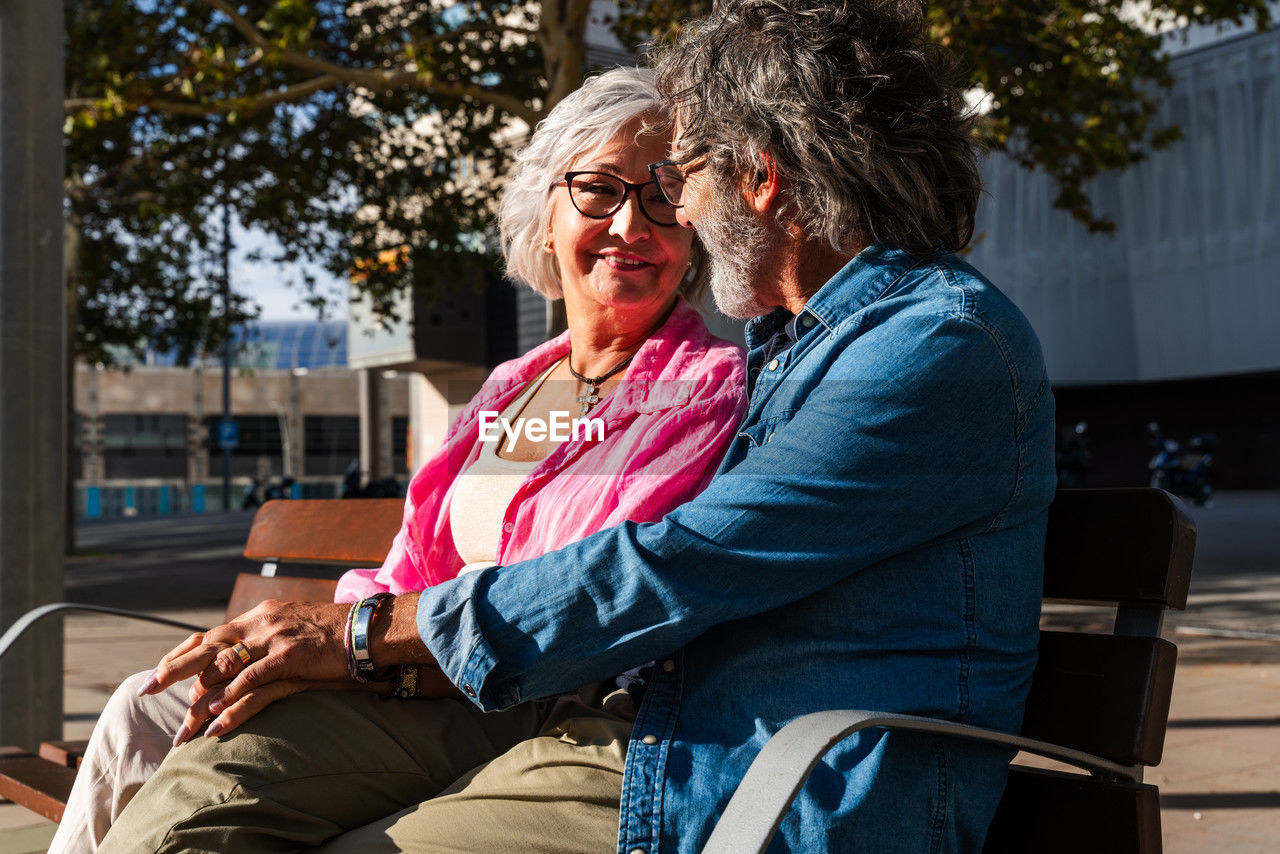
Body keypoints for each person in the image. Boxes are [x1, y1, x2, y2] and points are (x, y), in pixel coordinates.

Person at [101, 1, 1058, 851]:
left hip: (755, 785)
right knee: (183, 811)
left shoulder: (935, 349)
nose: (670, 211)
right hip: (669, 740)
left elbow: (678, 560)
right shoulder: (803, 341)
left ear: (760, 179)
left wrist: (364, 635)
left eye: (683, 178)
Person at [49, 66, 745, 854]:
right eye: (599, 190)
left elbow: (576, 598)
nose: (633, 223)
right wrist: (320, 643)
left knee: (195, 808)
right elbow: (408, 564)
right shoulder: (513, 388)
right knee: (142, 708)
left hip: (501, 697)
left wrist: (350, 650)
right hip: (397, 673)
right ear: (546, 216)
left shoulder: (704, 387)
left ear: (693, 233)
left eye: (663, 196)